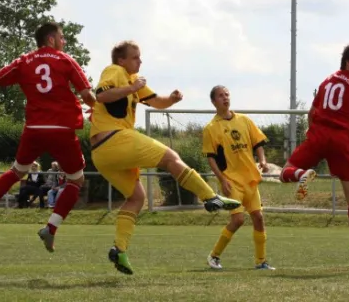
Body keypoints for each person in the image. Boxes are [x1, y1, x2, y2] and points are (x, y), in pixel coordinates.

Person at [89, 40, 241, 275]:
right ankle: (210, 197)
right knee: (171, 157)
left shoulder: (132, 81)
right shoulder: (115, 71)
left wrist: (171, 99)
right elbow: (101, 96)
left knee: (136, 198)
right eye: (135, 57)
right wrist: (132, 88)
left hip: (102, 154)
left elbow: (155, 102)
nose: (140, 61)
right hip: (114, 140)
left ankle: (119, 249)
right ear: (121, 60)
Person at [0, 22, 96, 253]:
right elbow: (86, 96)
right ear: (51, 39)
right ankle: (50, 229)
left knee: (16, 171)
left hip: (34, 129)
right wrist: (99, 105)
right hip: (62, 130)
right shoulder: (66, 60)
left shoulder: (24, 61)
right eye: (62, 38)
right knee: (75, 181)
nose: (64, 42)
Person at [278, 43, 349, 269]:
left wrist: (315, 135)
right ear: (348, 62)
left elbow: (312, 113)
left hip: (319, 135)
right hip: (344, 140)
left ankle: (302, 173)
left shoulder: (325, 81)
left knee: (284, 172)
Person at [203, 85, 275, 271]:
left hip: (250, 179)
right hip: (232, 181)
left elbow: (258, 143)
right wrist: (222, 180)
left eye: (227, 94)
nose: (225, 98)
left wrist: (263, 161)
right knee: (238, 220)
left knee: (258, 218)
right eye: (220, 96)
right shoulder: (211, 128)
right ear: (213, 101)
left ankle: (261, 262)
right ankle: (214, 256)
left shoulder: (244, 120)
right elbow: (211, 158)